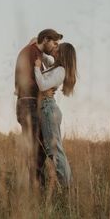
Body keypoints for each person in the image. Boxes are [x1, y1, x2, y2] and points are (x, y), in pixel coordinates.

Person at [14, 29, 63, 188]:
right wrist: (44, 90)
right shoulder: (32, 53)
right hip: (29, 104)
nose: (56, 47)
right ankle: (36, 193)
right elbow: (27, 81)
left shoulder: (34, 53)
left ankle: (37, 190)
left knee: (39, 149)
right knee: (36, 150)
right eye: (54, 43)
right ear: (46, 39)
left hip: (30, 103)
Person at [34, 42, 77, 188]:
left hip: (48, 109)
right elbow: (45, 58)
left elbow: (42, 85)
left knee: (55, 151)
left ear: (63, 54)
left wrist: (36, 67)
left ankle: (68, 188)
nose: (55, 49)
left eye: (58, 49)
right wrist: (37, 45)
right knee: (53, 150)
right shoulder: (56, 67)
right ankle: (66, 187)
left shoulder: (61, 71)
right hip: (47, 109)